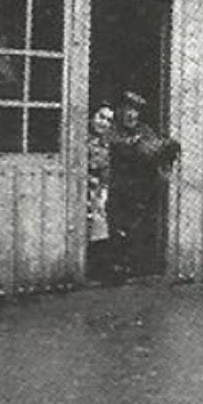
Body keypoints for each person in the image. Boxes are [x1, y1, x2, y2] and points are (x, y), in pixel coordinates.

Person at [108, 91, 181, 279]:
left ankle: (135, 265)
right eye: (127, 110)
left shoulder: (145, 130)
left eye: (136, 111)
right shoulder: (111, 129)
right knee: (117, 228)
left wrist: (167, 148)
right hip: (116, 188)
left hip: (140, 189)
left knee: (138, 227)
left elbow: (156, 150)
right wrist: (137, 145)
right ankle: (115, 266)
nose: (131, 115)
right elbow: (118, 147)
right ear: (119, 110)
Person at [85, 104, 114, 280]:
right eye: (101, 117)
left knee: (99, 221)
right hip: (80, 187)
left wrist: (103, 192)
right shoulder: (79, 137)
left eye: (109, 120)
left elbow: (106, 172)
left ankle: (97, 268)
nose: (104, 123)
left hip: (95, 191)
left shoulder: (106, 144)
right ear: (92, 116)